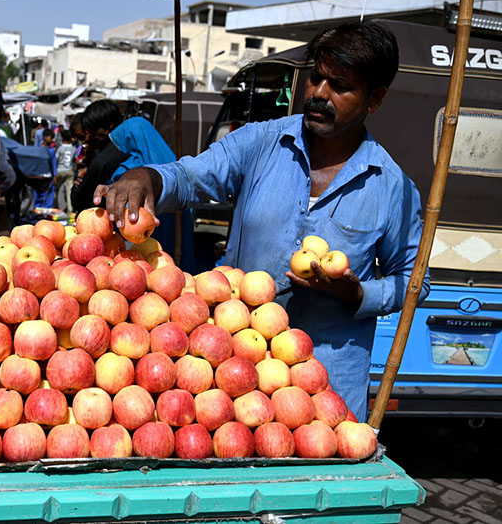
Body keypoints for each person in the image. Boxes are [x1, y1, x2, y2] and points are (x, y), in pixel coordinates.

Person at [94, 22, 429, 422]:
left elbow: (413, 281)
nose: (319, 93)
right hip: (233, 373)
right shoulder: (261, 142)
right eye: (316, 78)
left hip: (325, 386)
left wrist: (357, 296)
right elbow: (191, 176)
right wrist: (147, 177)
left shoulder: (393, 188)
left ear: (375, 99)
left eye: (339, 86)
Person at [54, 129, 76, 213]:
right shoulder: (73, 148)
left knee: (56, 190)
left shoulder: (60, 148)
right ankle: (70, 209)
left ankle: (55, 207)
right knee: (69, 191)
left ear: (62, 138)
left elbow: (56, 160)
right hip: (70, 170)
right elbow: (75, 160)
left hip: (60, 170)